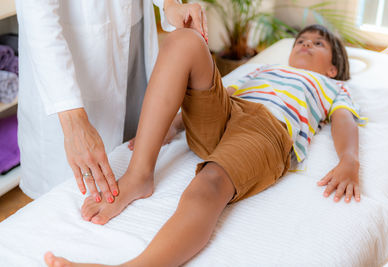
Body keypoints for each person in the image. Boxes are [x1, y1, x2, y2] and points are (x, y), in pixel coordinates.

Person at [44, 24, 367, 266]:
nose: (306, 44)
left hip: (268, 128)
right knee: (185, 40)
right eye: (301, 41)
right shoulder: (263, 69)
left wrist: (349, 161)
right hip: (229, 111)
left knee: (208, 185)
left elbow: (344, 122)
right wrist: (170, 124)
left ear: (333, 67)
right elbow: (215, 93)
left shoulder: (331, 85)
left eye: (317, 43)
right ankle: (139, 174)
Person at [16, 0, 208, 202]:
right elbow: (38, 19)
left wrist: (170, 5)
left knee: (131, 154)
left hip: (133, 35)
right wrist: (73, 120)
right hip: (74, 66)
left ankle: (138, 175)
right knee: (65, 202)